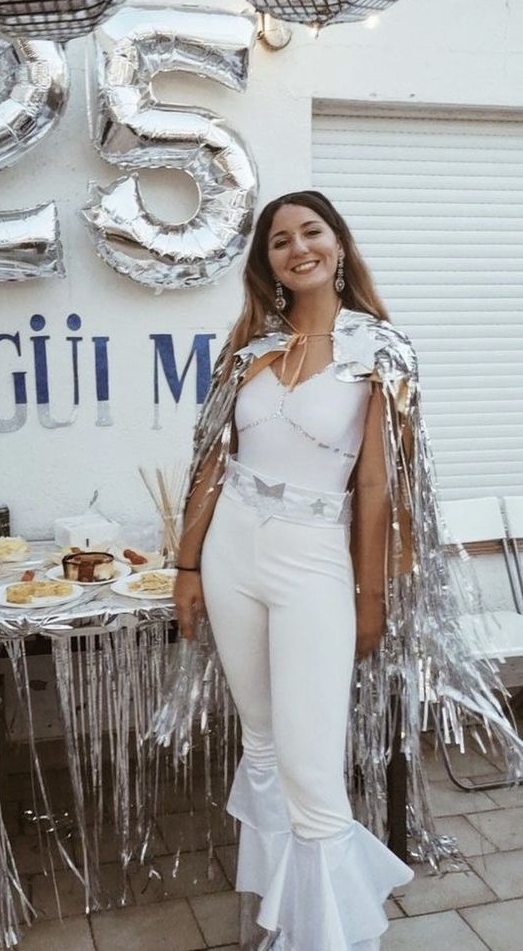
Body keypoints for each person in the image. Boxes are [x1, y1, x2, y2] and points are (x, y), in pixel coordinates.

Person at [169, 190, 519, 951]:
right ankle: (278, 913)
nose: (297, 249)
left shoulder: (379, 352)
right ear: (266, 263)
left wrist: (371, 596)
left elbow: (376, 487)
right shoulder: (247, 350)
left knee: (310, 766)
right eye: (278, 241)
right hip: (232, 550)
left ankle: (329, 939)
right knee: (260, 743)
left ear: (337, 243)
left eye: (310, 232)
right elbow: (210, 465)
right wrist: (187, 566)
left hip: (313, 558)